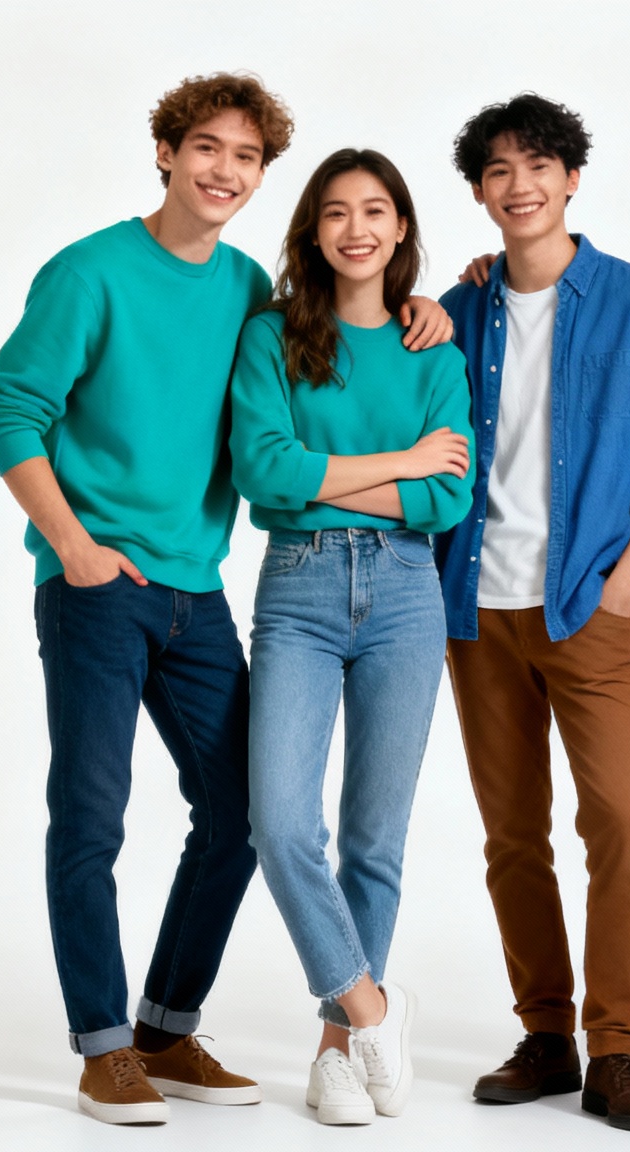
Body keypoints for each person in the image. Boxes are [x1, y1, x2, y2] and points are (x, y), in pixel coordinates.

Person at [0, 74, 453, 1126]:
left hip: (199, 594)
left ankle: (165, 1024)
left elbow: (338, 336)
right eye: (204, 149)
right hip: (98, 588)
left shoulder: (247, 293)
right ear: (163, 151)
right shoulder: (89, 272)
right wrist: (70, 543)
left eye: (244, 157)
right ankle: (103, 1047)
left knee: (239, 814)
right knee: (91, 816)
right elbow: (7, 407)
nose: (222, 171)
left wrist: (426, 305)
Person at [437, 94, 630, 1131]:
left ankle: (616, 1049)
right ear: (477, 191)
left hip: (584, 609)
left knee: (622, 829)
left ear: (570, 177)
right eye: (497, 170)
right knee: (511, 835)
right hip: (473, 608)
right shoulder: (454, 315)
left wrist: (619, 581)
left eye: (537, 164)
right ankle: (545, 1034)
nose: (519, 184)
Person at [229, 147, 473, 1127]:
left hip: (407, 594)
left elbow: (445, 491)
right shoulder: (271, 337)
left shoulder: (435, 352)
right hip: (296, 588)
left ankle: (336, 1052)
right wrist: (397, 464)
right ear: (312, 229)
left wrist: (333, 473)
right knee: (280, 823)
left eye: (375, 210)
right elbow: (261, 469)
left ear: (402, 228)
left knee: (374, 837)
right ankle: (372, 1006)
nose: (355, 228)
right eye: (335, 212)